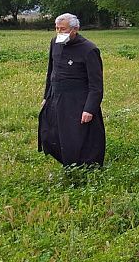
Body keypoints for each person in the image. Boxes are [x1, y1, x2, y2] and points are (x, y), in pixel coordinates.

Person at [38, 13, 106, 167]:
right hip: (56, 97)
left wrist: (90, 109)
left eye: (63, 29)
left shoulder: (89, 50)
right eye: (57, 29)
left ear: (75, 29)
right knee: (50, 133)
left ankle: (85, 168)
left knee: (78, 137)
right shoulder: (54, 43)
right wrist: (46, 96)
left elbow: (96, 85)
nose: (59, 32)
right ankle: (66, 163)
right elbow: (51, 72)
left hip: (78, 100)